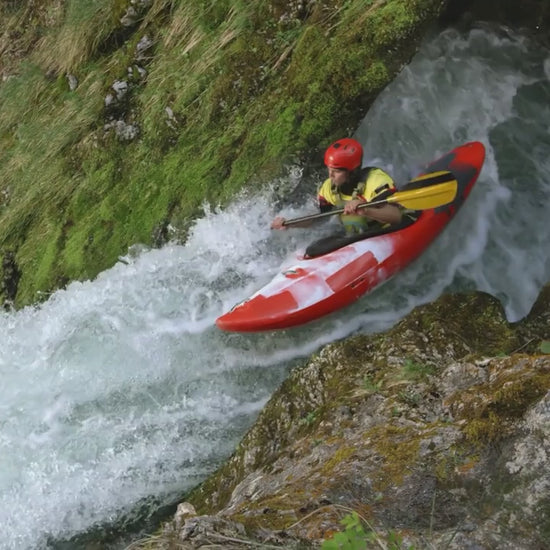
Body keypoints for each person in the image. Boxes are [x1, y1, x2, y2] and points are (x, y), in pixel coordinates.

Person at [271, 138, 402, 235]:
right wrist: (290, 223)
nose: (331, 175)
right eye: (329, 169)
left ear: (352, 172)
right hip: (358, 234)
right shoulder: (329, 188)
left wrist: (365, 209)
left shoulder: (375, 180)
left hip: (386, 228)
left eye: (337, 171)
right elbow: (319, 219)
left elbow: (397, 216)